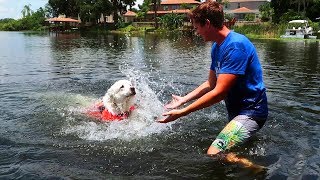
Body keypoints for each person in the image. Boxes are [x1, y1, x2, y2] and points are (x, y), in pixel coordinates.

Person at [158, 0, 268, 165]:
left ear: (207, 24)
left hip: (251, 112)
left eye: (197, 27)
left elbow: (219, 93)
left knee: (213, 152)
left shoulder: (235, 46)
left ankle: (256, 168)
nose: (196, 32)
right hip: (237, 113)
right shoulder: (217, 47)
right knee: (225, 148)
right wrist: (183, 100)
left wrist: (183, 112)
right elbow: (210, 84)